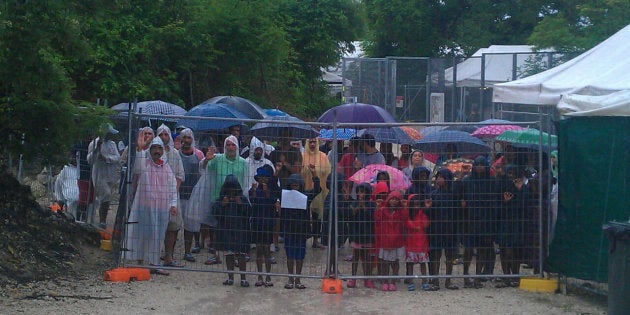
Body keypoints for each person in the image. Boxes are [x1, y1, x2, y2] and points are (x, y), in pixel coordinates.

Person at [124, 137, 178, 276]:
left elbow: (172, 187)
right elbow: (136, 168)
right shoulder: (144, 164)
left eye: (159, 148)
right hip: (145, 206)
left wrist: (173, 204)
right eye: (154, 148)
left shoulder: (166, 167)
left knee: (157, 236)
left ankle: (154, 263)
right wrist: (140, 150)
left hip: (161, 208)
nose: (157, 151)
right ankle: (140, 262)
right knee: (142, 234)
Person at [460, 156, 499, 288]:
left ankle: (477, 276)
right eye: (477, 164)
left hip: (486, 219)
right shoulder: (467, 181)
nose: (480, 167)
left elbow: (495, 201)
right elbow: (460, 197)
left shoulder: (492, 182)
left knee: (483, 249)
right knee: (469, 249)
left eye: (482, 164)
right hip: (470, 219)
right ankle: (466, 275)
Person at [281, 169, 320, 290]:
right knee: (290, 255)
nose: (295, 187)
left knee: (300, 255)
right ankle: (290, 278)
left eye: (297, 184)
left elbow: (317, 190)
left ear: (301, 185)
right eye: (293, 185)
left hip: (301, 231)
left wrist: (315, 177)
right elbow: (273, 189)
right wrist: (277, 173)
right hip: (289, 230)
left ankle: (297, 279)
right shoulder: (285, 196)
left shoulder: (306, 197)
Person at [213, 175, 252, 287]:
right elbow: (215, 214)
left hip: (240, 232)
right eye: (228, 188)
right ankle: (230, 278)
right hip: (226, 232)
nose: (231, 191)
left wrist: (241, 205)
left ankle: (243, 278)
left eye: (233, 188)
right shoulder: (221, 199)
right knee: (229, 255)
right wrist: (222, 205)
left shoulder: (242, 199)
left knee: (241, 256)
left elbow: (249, 213)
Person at [173, 127, 205, 263]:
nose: (186, 140)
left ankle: (187, 251)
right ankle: (170, 253)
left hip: (193, 195)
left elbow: (204, 170)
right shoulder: (175, 154)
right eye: (184, 137)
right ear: (180, 139)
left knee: (190, 225)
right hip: (177, 194)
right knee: (173, 225)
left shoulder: (198, 155)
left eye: (189, 137)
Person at [425, 168, 459, 290]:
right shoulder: (433, 194)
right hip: (436, 229)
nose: (439, 179)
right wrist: (427, 208)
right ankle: (435, 281)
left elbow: (458, 213)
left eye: (441, 177)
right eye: (438, 177)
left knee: (450, 256)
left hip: (450, 230)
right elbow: (428, 214)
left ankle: (448, 281)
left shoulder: (454, 195)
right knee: (435, 255)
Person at [496, 165, 529, 288]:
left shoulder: (523, 187)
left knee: (516, 250)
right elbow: (495, 204)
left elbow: (526, 205)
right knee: (504, 249)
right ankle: (506, 275)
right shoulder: (501, 185)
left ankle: (515, 275)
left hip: (517, 222)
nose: (510, 176)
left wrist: (520, 191)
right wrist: (504, 202)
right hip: (503, 222)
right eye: (508, 174)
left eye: (512, 174)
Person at [249, 165, 280, 287]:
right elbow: (253, 201)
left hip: (267, 223)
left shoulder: (272, 190)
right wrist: (255, 191)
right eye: (261, 178)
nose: (263, 180)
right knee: (258, 251)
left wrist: (266, 190)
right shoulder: (254, 189)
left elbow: (272, 200)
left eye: (265, 178)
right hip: (257, 223)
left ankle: (268, 276)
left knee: (267, 250)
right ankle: (259, 276)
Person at [86, 124, 121, 228]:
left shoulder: (112, 144)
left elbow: (117, 157)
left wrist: (106, 158)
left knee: (106, 197)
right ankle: (101, 221)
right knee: (106, 195)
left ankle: (103, 219)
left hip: (110, 175)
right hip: (99, 176)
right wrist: (97, 150)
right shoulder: (93, 144)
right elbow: (90, 160)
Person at [374, 190, 408, 291]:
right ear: (388, 200)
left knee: (395, 262)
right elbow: (377, 218)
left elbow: (405, 219)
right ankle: (385, 281)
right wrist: (378, 207)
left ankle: (393, 281)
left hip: (397, 240)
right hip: (385, 240)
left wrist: (405, 207)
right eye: (392, 199)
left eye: (396, 200)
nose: (394, 201)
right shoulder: (383, 210)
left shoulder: (401, 211)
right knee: (385, 262)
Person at [302, 138, 331, 249]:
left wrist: (317, 170)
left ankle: (315, 240)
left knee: (316, 217)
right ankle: (303, 238)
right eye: (310, 142)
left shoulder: (323, 156)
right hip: (305, 190)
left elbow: (327, 172)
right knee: (304, 216)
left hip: (319, 191)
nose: (313, 144)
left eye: (314, 142)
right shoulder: (302, 155)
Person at [346, 183, 375, 289]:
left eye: (362, 192)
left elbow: (372, 217)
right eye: (358, 192)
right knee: (356, 257)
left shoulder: (371, 205)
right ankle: (353, 278)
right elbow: (351, 215)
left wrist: (365, 208)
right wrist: (359, 207)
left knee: (366, 257)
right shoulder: (354, 203)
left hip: (367, 234)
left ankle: (367, 278)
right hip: (356, 234)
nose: (360, 194)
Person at [204, 135, 248, 202]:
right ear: (225, 147)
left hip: (237, 200)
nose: (231, 147)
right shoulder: (216, 158)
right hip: (218, 199)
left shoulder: (243, 162)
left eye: (233, 145)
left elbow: (246, 182)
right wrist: (206, 160)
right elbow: (204, 169)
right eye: (228, 145)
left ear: (237, 147)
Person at [404, 194, 430, 291]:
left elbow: (426, 224)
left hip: (421, 243)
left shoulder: (422, 213)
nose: (416, 207)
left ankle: (424, 281)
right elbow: (406, 223)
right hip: (411, 243)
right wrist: (414, 226)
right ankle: (411, 282)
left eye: (418, 205)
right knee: (410, 264)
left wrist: (426, 210)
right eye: (414, 205)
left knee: (423, 263)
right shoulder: (407, 214)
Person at [54, 151, 80, 220]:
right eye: (73, 157)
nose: (74, 159)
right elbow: (58, 185)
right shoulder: (65, 169)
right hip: (70, 196)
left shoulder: (82, 169)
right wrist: (60, 200)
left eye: (76, 157)